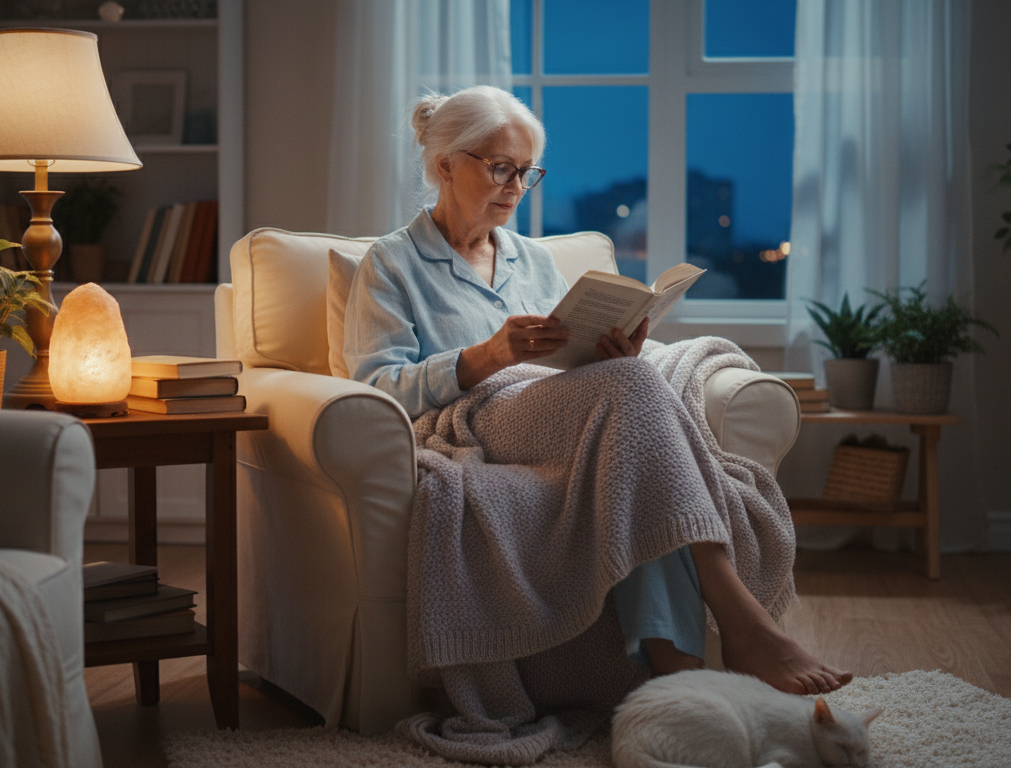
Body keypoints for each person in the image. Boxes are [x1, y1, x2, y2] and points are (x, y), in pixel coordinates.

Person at [342, 85, 850, 696]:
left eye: (527, 173)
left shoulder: (532, 259)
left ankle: (680, 678)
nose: (514, 186)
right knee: (635, 409)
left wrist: (609, 354)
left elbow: (566, 356)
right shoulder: (391, 264)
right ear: (446, 163)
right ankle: (743, 621)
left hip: (563, 411)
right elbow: (374, 388)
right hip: (470, 421)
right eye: (501, 167)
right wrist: (486, 356)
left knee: (635, 445)